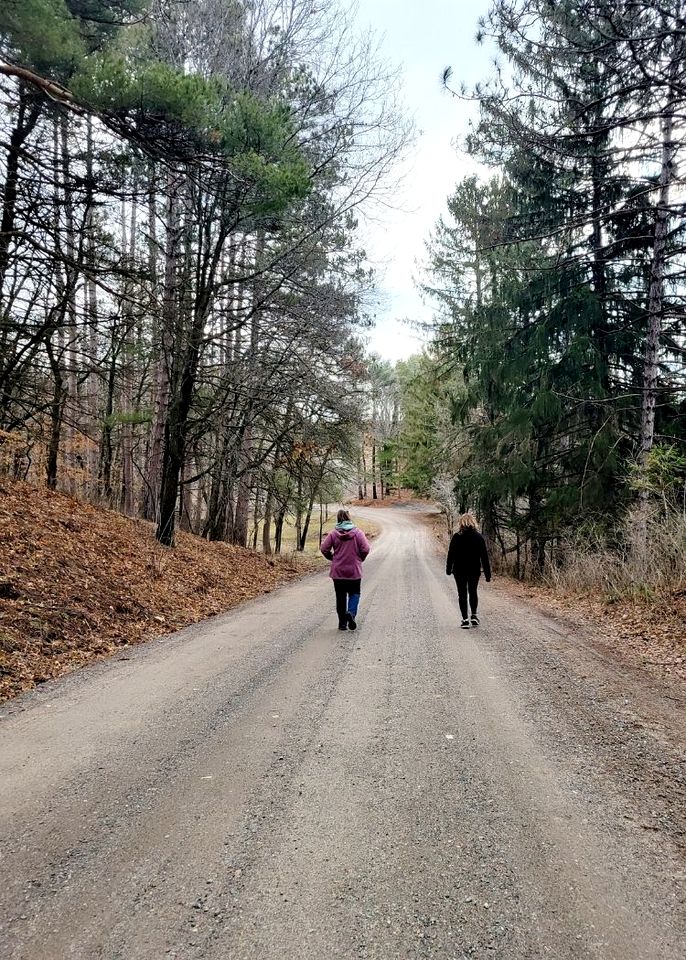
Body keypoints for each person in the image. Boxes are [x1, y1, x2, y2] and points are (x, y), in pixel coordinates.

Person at [320, 509, 370, 631]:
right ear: (349, 518)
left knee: (340, 597)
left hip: (338, 572)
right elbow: (366, 548)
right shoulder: (357, 533)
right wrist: (360, 558)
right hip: (354, 570)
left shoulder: (333, 534)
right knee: (354, 593)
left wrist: (332, 558)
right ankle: (351, 613)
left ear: (338, 519)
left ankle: (342, 623)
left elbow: (324, 549)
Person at [446, 512, 491, 629]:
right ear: (473, 523)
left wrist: (448, 569)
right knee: (473, 591)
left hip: (459, 570)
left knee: (462, 594)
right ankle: (474, 615)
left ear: (461, 523)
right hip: (474, 570)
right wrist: (487, 574)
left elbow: (451, 554)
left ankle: (465, 619)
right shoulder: (479, 537)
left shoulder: (457, 537)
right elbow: (484, 557)